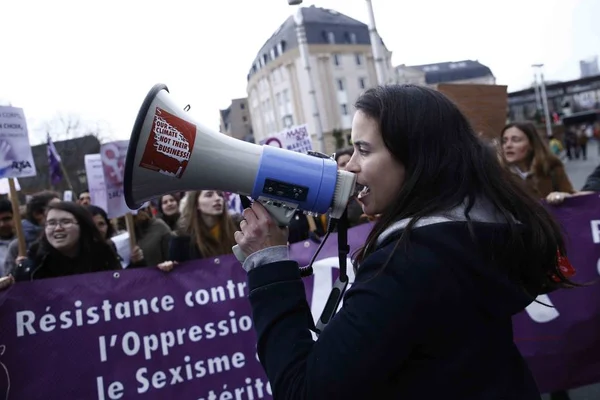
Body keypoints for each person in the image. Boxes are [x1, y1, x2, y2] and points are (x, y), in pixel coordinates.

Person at [233, 85, 575, 399]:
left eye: (363, 150)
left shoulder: (408, 265)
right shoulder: (475, 234)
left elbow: (304, 390)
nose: (349, 166)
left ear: (417, 160)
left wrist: (269, 263)